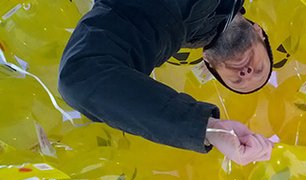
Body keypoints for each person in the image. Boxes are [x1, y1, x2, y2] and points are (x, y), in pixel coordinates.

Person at [58, 0, 274, 166]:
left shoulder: (158, 26)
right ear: (259, 32)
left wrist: (208, 129)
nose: (246, 72)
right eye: (259, 69)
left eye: (238, 80)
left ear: (208, 62)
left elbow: (83, 75)